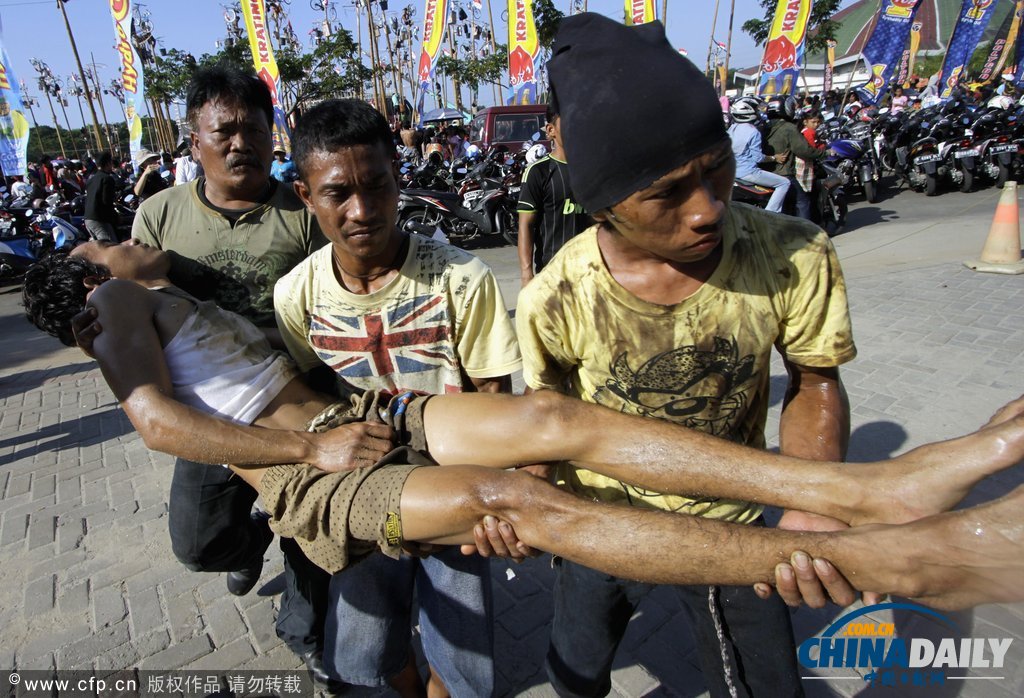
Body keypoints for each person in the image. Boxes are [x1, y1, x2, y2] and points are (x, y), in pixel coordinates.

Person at [21, 243, 1024, 617]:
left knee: (553, 417)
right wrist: (307, 450)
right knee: (521, 501)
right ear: (84, 269)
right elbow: (156, 424)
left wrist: (339, 424)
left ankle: (868, 489)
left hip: (360, 419)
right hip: (317, 473)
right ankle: (915, 558)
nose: (124, 233)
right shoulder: (112, 306)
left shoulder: (149, 289)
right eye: (102, 239)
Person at [517, 14, 853, 698]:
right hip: (604, 523)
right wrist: (522, 500)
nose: (706, 209)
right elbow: (545, 424)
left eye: (716, 168)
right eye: (667, 192)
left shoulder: (791, 254)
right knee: (575, 673)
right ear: (603, 205)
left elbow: (816, 381)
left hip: (729, 526)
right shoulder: (555, 298)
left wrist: (815, 500)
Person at [275, 98, 520, 698]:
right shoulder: (297, 295)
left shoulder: (461, 278)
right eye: (337, 193)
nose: (362, 210)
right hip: (363, 500)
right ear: (307, 196)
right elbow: (303, 399)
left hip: (454, 492)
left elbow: (495, 400)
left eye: (377, 185)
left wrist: (486, 499)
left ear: (397, 175)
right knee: (364, 651)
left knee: (464, 661)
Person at [123, 65, 332, 684]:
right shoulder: (157, 217)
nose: (240, 143)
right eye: (223, 132)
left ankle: (306, 633)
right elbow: (135, 309)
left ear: (275, 134)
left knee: (311, 539)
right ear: (195, 144)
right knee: (198, 545)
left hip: (295, 405)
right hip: (210, 420)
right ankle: (250, 541)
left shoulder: (302, 214)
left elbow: (329, 310)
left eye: (253, 128)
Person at [517, 104, 592, 286]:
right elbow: (526, 225)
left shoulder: (593, 170)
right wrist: (527, 273)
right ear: (551, 130)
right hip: (552, 273)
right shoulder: (538, 172)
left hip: (591, 272)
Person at [766, 95, 825, 221]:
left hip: (764, 173)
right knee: (803, 201)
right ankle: (806, 233)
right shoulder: (789, 128)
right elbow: (804, 150)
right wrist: (825, 153)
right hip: (784, 172)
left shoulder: (764, 126)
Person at [728, 96, 790, 213]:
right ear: (749, 112)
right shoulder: (753, 131)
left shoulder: (732, 128)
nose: (758, 112)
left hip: (732, 171)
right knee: (784, 183)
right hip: (748, 172)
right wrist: (774, 158)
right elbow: (758, 158)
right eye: (756, 110)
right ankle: (770, 214)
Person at [83, 152, 120, 243]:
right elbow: (107, 201)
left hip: (88, 218)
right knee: (111, 247)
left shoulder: (92, 179)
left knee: (101, 247)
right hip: (99, 219)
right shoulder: (107, 179)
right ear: (108, 163)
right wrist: (116, 216)